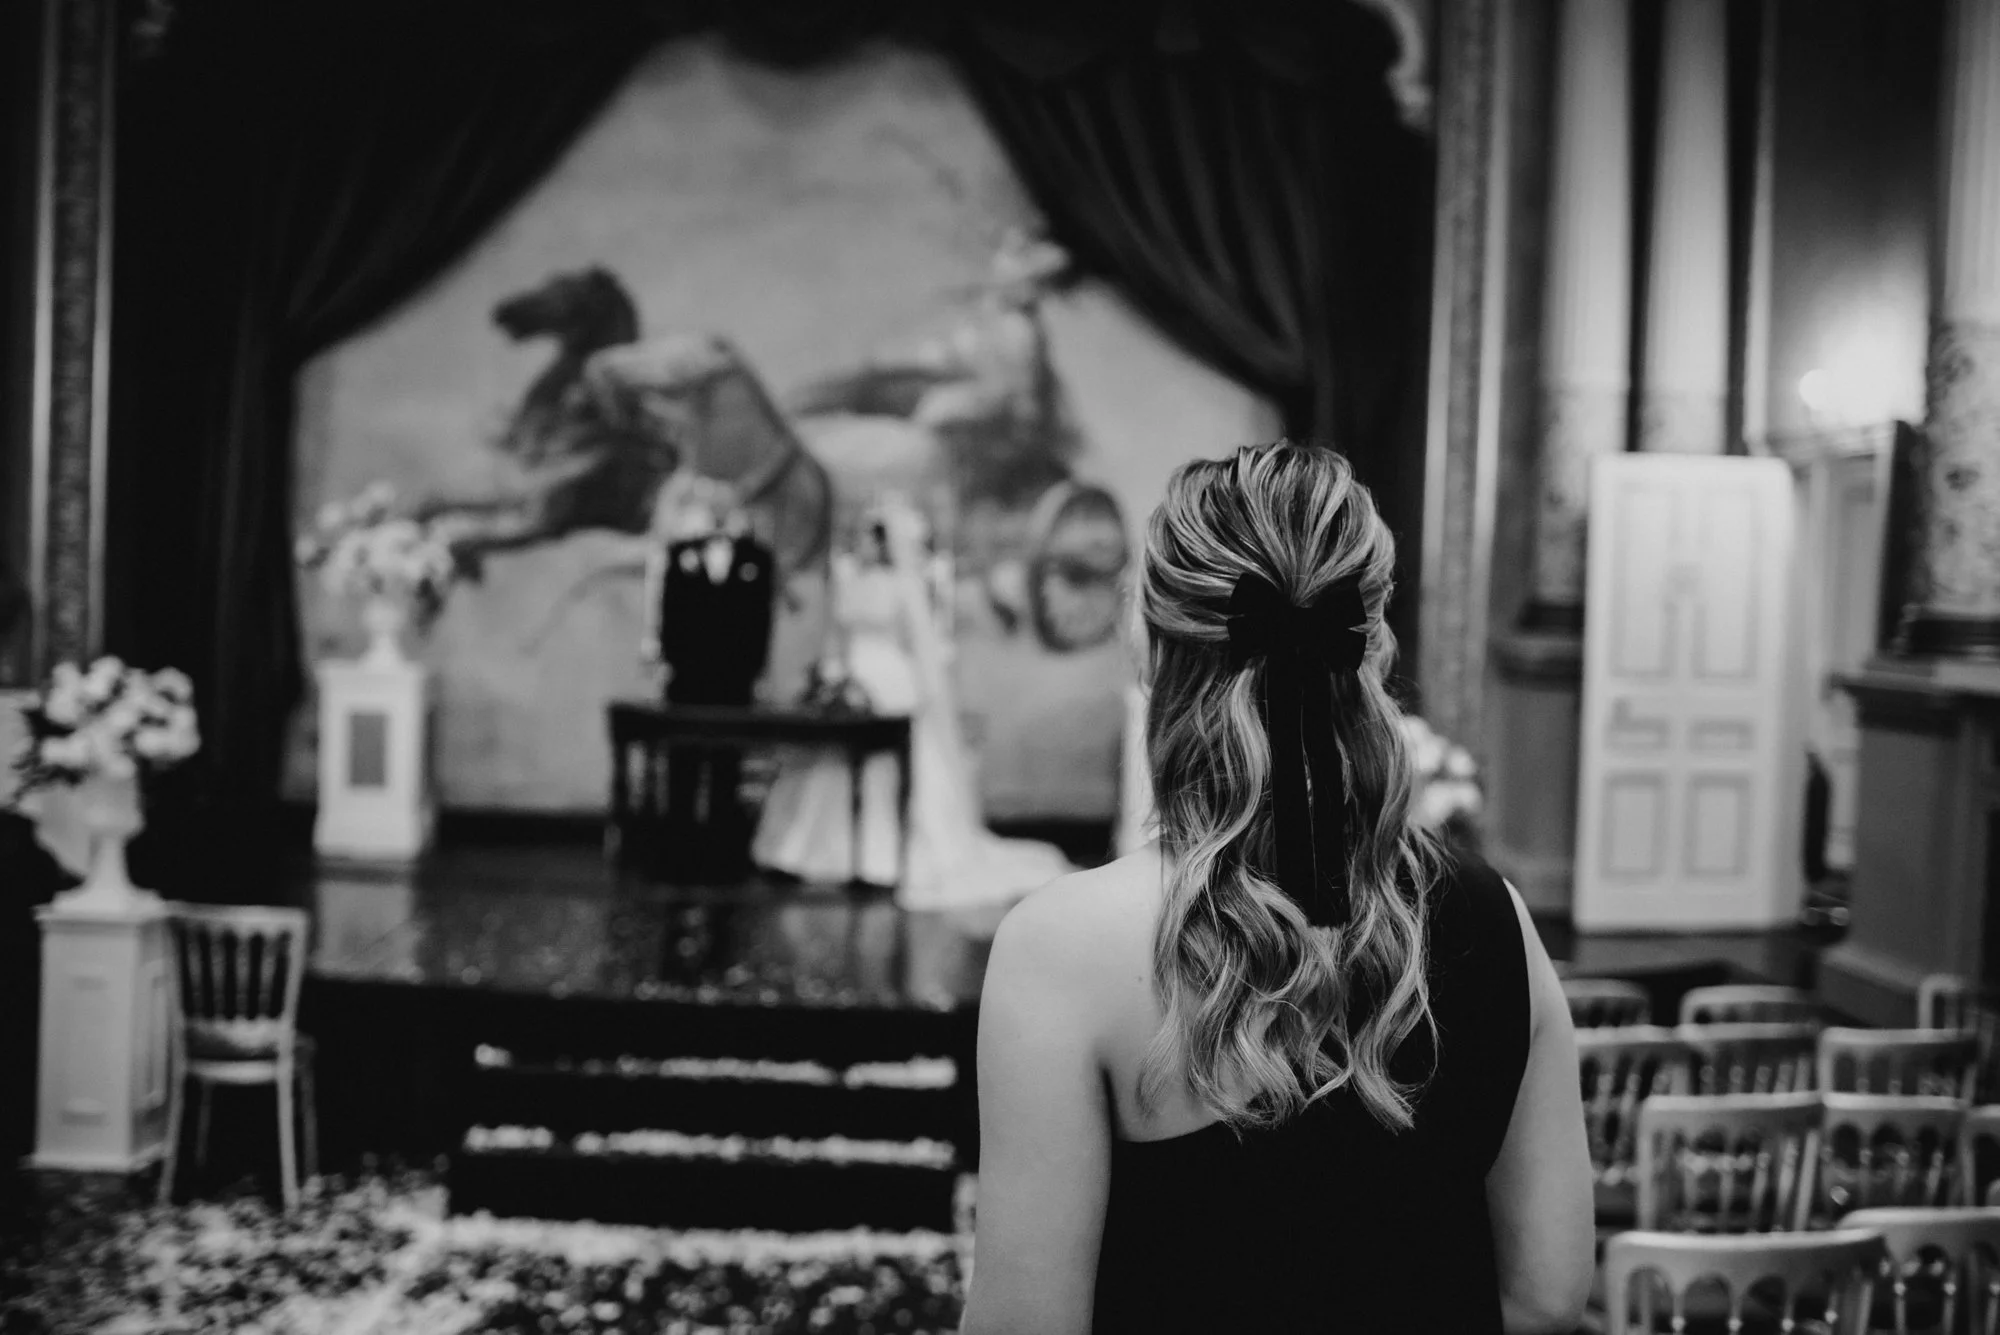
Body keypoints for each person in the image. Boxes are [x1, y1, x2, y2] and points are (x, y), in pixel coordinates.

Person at [960, 443, 1593, 1334]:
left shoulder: (1057, 948)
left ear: (1155, 651)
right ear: (1373, 642)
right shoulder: (1498, 917)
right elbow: (1549, 1294)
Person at [752, 496, 1071, 907]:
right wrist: (833, 674)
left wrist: (912, 687)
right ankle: (818, 851)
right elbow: (837, 636)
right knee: (833, 761)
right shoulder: (848, 579)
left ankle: (886, 853)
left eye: (868, 538)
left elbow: (919, 645)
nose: (861, 544)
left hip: (891, 681)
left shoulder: (904, 587)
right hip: (851, 679)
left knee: (893, 767)